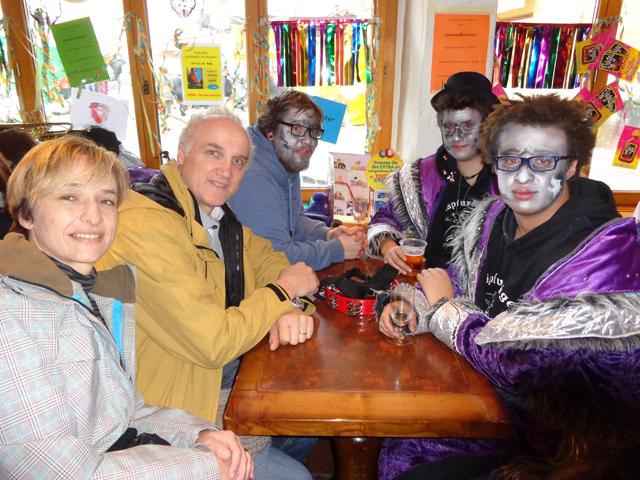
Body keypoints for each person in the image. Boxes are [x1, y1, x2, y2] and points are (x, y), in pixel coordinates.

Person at [377, 94, 640, 479]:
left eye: (543, 161)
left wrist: (443, 310)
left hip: (563, 451)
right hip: (486, 405)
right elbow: (456, 284)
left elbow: (522, 363)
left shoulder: (604, 255)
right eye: (510, 160)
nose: (523, 176)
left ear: (571, 167)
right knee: (398, 434)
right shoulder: (493, 218)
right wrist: (412, 307)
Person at [0, 135, 252, 480]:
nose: (93, 216)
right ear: (26, 213)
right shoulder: (11, 316)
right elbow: (56, 471)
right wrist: (205, 465)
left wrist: (199, 433)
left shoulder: (94, 293)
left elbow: (124, 413)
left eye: (105, 200)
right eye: (70, 197)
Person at [97, 108, 319, 479]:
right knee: (298, 474)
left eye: (238, 161)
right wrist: (284, 292)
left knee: (305, 423)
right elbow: (212, 341)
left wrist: (290, 306)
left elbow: (269, 259)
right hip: (167, 409)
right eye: (213, 152)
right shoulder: (147, 226)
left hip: (220, 373)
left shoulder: (215, 217)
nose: (226, 171)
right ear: (182, 154)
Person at [367, 71, 499, 273]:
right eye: (448, 127)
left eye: (467, 126)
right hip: (424, 282)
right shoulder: (421, 176)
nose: (456, 137)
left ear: (487, 126)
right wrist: (388, 246)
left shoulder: (507, 178)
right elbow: (383, 220)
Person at [229, 89, 366, 270]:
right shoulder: (254, 178)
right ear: (270, 130)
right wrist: (336, 249)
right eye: (297, 129)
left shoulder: (285, 159)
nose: (308, 141)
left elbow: (294, 220)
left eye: (313, 131)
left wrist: (327, 235)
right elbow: (274, 257)